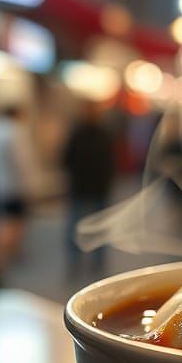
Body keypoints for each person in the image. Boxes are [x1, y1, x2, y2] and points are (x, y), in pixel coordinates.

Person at [62, 100, 117, 276]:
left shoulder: (102, 134)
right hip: (82, 188)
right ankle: (76, 262)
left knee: (98, 227)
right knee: (76, 227)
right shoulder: (78, 134)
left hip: (96, 188)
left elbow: (110, 162)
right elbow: (66, 159)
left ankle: (97, 264)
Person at [0, 104, 34, 268]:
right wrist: (31, 184)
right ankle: (4, 252)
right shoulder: (15, 131)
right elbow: (21, 161)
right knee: (14, 220)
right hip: (14, 184)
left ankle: (6, 250)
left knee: (2, 219)